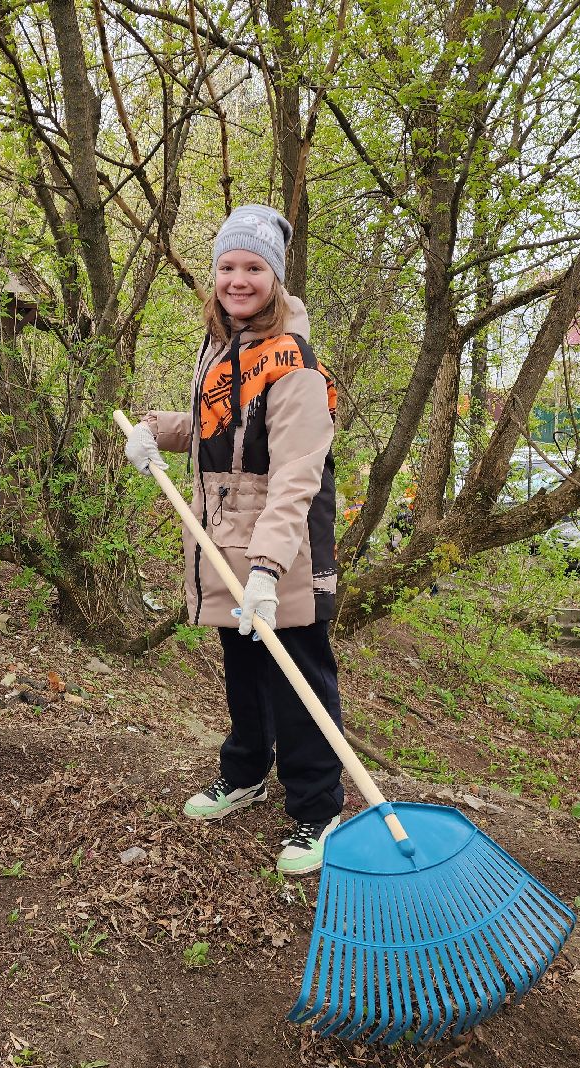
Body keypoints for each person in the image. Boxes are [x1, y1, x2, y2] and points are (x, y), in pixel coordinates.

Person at [123, 204, 343, 876]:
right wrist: (157, 430)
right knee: (243, 667)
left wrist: (269, 571)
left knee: (298, 676)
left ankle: (318, 807)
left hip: (286, 541)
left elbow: (297, 472)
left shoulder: (293, 361)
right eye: (227, 266)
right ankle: (246, 773)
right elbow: (217, 426)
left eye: (253, 267)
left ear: (275, 278)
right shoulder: (224, 345)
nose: (237, 279)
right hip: (225, 533)